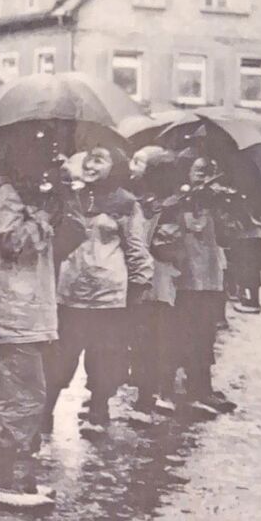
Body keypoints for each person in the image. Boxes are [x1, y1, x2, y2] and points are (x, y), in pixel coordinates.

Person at [0, 123, 80, 500]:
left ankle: (16, 475)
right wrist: (46, 216)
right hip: (10, 311)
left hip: (17, 309)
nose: (45, 154)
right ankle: (5, 480)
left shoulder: (12, 190)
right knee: (21, 395)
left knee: (18, 393)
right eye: (38, 146)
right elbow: (16, 242)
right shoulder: (2, 191)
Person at [44, 144, 154, 436]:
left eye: (100, 161)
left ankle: (98, 411)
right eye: (89, 159)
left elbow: (136, 248)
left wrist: (140, 285)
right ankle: (44, 414)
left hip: (108, 297)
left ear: (115, 167)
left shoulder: (127, 204)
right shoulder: (71, 198)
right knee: (59, 357)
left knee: (104, 357)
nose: (91, 166)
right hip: (69, 291)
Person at [171, 155, 238, 415]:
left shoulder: (219, 200)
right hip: (183, 279)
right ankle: (180, 388)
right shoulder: (177, 200)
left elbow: (229, 234)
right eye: (198, 170)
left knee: (205, 334)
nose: (203, 175)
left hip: (210, 280)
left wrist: (221, 204)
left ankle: (201, 387)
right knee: (183, 333)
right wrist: (190, 199)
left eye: (209, 171)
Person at [127, 147, 185, 422]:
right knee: (143, 338)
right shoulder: (138, 201)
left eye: (140, 162)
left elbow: (170, 246)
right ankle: (145, 392)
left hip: (159, 280)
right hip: (147, 278)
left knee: (157, 338)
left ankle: (155, 392)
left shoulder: (172, 206)